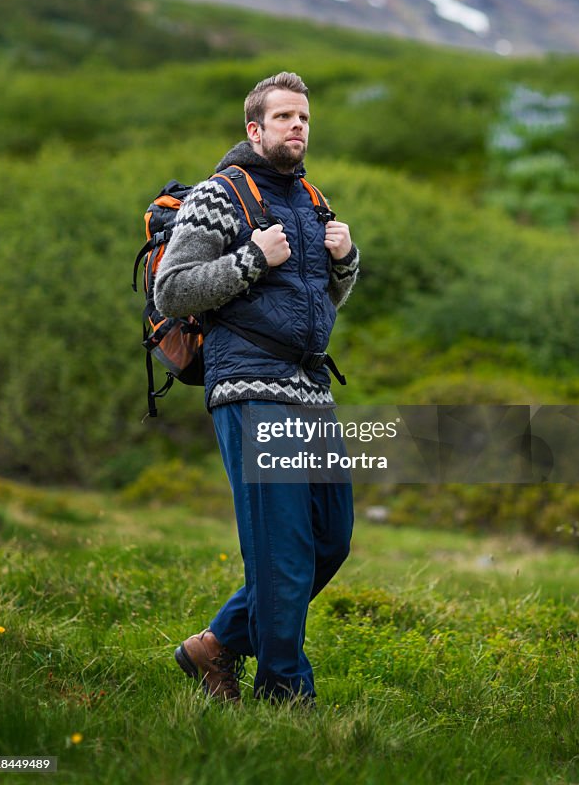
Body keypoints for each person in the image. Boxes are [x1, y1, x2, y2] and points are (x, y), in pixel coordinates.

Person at [154, 71, 359, 705]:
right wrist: (251, 259)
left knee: (331, 538)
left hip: (311, 390)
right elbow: (174, 289)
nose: (297, 127)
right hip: (249, 384)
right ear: (254, 128)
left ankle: (215, 645)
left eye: (304, 118)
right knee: (283, 552)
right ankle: (285, 696)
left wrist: (346, 261)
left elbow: (320, 303)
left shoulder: (309, 198)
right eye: (284, 118)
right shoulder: (220, 195)